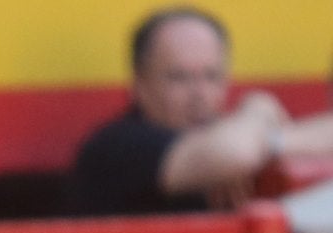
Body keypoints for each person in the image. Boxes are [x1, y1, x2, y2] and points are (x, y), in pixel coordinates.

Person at [67, 7, 333, 217]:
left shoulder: (241, 139)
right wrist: (259, 110)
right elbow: (232, 153)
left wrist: (259, 142)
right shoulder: (113, 147)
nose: (199, 95)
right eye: (179, 78)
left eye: (211, 76)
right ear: (140, 85)